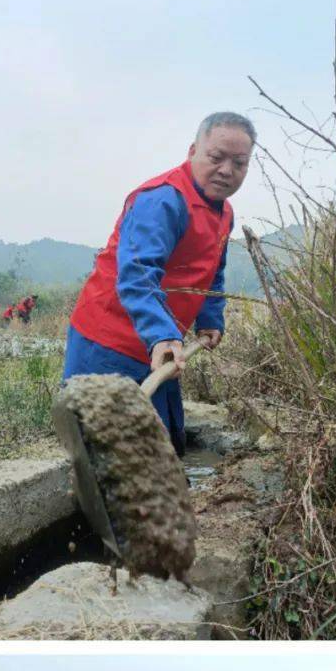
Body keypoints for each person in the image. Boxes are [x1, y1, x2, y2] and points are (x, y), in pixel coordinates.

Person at [64, 112, 255, 457]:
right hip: (110, 343)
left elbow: (213, 270)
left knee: (165, 445)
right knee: (112, 454)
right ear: (192, 151)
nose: (227, 170)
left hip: (162, 349)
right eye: (216, 158)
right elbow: (138, 274)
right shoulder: (162, 201)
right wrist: (162, 334)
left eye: (239, 163)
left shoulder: (224, 213)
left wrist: (211, 318)